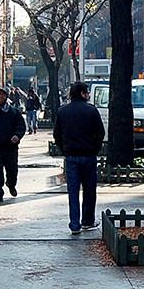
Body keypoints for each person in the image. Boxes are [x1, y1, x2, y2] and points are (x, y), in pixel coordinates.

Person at [53, 82, 105, 234]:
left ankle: (74, 224)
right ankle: (87, 221)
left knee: (73, 191)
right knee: (89, 190)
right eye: (87, 92)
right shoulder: (91, 111)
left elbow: (57, 134)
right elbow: (100, 133)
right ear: (83, 93)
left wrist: (64, 149)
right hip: (88, 155)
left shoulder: (63, 111)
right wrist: (95, 148)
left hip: (71, 156)